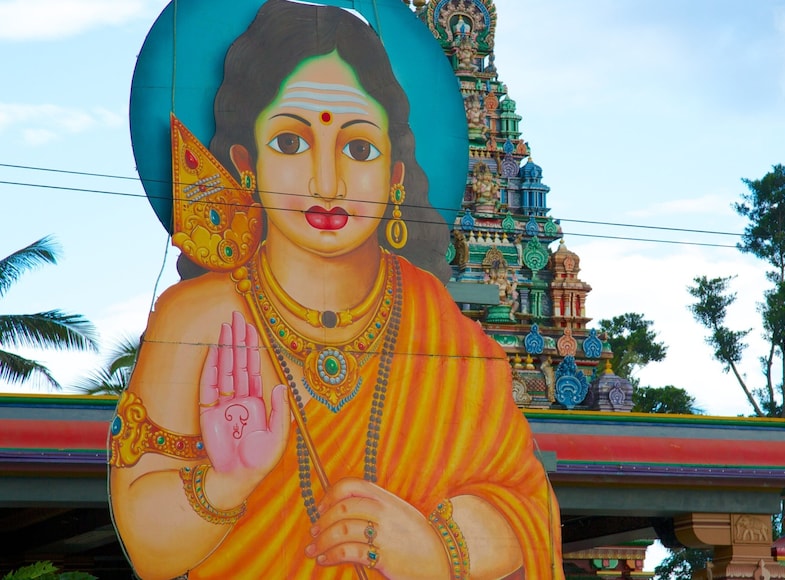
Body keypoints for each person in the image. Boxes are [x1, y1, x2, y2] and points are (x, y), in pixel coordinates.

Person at [108, 2, 562, 579]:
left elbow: (528, 509)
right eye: (292, 144)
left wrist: (439, 546)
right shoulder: (196, 319)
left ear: (395, 175)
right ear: (246, 163)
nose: (328, 183)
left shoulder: (451, 340)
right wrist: (226, 483)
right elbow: (146, 547)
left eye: (359, 149)